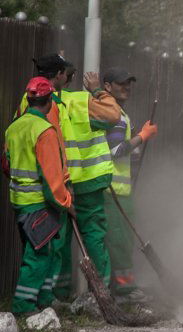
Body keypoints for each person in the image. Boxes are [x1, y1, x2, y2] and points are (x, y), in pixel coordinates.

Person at [20, 54, 122, 299]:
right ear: (60, 76)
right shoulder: (80, 100)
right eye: (69, 73)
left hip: (51, 185)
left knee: (57, 239)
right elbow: (112, 115)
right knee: (94, 237)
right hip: (86, 181)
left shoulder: (28, 101)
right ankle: (102, 294)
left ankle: (58, 294)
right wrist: (97, 89)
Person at [3, 78, 73, 315]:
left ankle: (43, 299)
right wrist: (66, 202)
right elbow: (51, 177)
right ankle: (23, 306)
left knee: (40, 251)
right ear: (49, 101)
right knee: (38, 255)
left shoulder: (14, 126)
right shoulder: (44, 130)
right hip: (38, 204)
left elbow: (6, 164)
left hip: (19, 201)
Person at [101, 68, 158, 300]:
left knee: (122, 240)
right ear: (107, 87)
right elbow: (116, 151)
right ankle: (124, 291)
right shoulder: (114, 116)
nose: (127, 87)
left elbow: (125, 152)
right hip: (113, 193)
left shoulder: (120, 114)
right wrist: (142, 137)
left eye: (129, 83)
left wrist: (136, 140)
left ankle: (120, 288)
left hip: (120, 192)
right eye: (121, 83)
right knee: (119, 242)